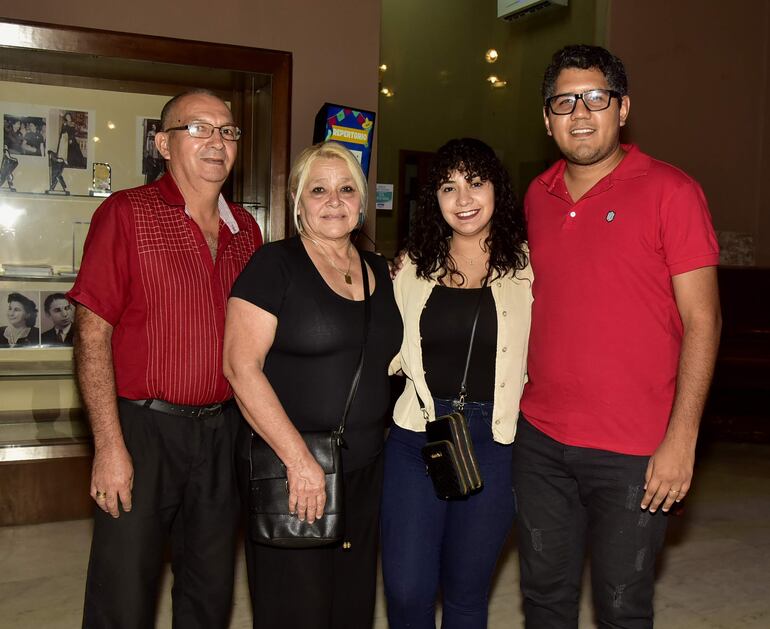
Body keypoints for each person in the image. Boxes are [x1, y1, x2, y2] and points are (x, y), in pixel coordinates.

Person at [512, 44, 722, 628]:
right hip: (541, 443)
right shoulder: (537, 196)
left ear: (622, 108)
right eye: (564, 101)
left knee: (623, 607)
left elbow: (704, 321)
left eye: (596, 97)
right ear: (547, 118)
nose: (580, 112)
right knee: (545, 598)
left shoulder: (672, 192)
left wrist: (682, 439)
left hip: (635, 452)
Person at [68, 88, 262, 628]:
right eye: (198, 128)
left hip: (223, 433)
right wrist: (109, 446)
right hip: (143, 428)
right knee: (123, 591)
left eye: (227, 131)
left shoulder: (246, 231)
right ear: (162, 143)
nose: (217, 142)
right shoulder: (125, 213)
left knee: (209, 588)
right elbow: (91, 336)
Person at [223, 140, 402, 629]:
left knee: (351, 605)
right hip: (293, 469)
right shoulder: (273, 265)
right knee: (296, 608)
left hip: (365, 470)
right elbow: (241, 368)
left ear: (362, 203)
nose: (334, 201)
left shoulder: (381, 272)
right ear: (298, 202)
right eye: (318, 190)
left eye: (346, 189)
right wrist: (299, 461)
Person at [381, 138, 532, 628]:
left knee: (466, 593)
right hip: (416, 433)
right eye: (449, 187)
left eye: (475, 183)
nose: (463, 198)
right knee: (406, 590)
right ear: (435, 199)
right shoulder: (411, 267)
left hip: (495, 439)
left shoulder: (531, 267)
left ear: (497, 190)